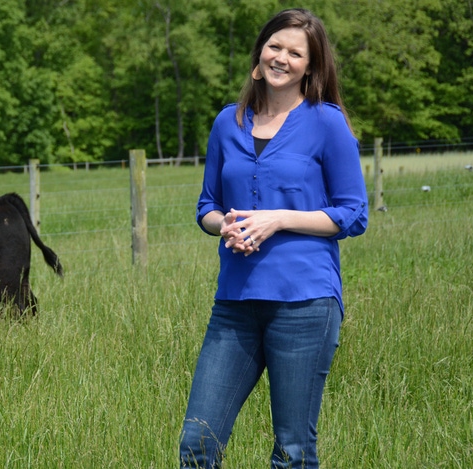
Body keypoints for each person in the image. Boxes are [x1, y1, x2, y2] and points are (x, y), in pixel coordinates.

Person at [179, 8, 368, 469]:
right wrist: (225, 226)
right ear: (260, 52)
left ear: (311, 65)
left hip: (305, 303)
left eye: (295, 52)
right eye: (274, 46)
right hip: (235, 304)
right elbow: (207, 206)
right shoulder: (229, 121)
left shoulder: (327, 122)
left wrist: (278, 219)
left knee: (293, 450)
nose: (281, 57)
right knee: (197, 443)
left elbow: (353, 214)